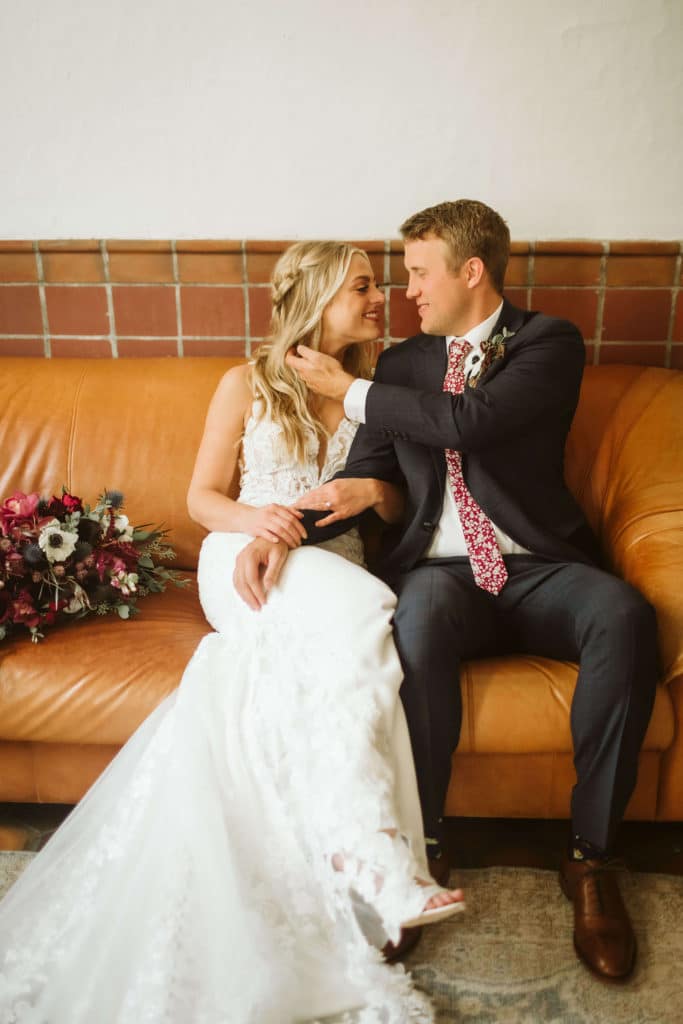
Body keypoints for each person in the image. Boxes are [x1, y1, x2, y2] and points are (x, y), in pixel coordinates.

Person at [0, 241, 465, 1024]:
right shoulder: (244, 382)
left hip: (337, 562)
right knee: (365, 616)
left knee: (352, 621)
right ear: (316, 295)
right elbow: (201, 499)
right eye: (362, 285)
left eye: (382, 283)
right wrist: (262, 521)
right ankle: (373, 853)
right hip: (241, 557)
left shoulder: (384, 387)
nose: (381, 295)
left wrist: (370, 491)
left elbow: (400, 508)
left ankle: (349, 850)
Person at [236, 201, 659, 983]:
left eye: (419, 273)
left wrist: (350, 390)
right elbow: (363, 477)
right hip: (441, 573)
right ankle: (420, 851)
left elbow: (473, 420)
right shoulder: (399, 366)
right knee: (419, 616)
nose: (407, 293)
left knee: (623, 614)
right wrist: (279, 534)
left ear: (472, 271)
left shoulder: (547, 342)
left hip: (536, 567)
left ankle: (591, 860)